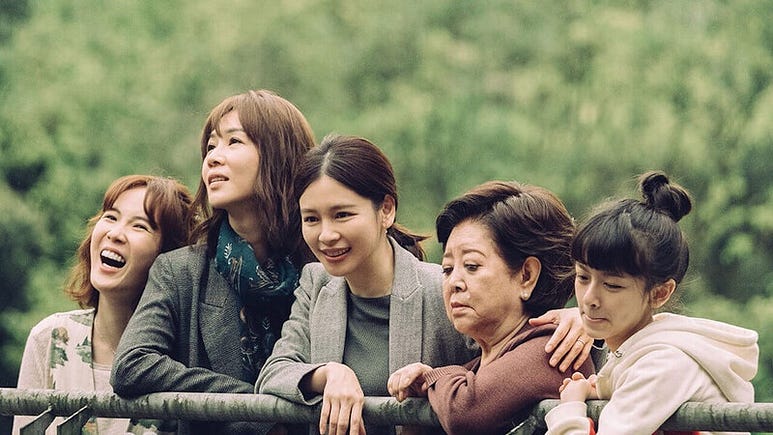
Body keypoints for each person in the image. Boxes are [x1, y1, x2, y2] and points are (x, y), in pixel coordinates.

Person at [256, 135, 591, 435]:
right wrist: (329, 374)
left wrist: (583, 321)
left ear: (386, 210)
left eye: (342, 214)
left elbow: (482, 387)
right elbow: (274, 372)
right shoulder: (315, 283)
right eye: (311, 219)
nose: (326, 234)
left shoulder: (443, 294)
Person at [111, 90, 316, 435]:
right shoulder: (181, 271)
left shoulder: (321, 266)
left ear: (279, 155)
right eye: (210, 147)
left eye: (233, 142)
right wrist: (254, 406)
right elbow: (131, 366)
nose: (213, 159)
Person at [544, 171, 759, 435]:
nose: (589, 298)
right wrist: (602, 387)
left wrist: (569, 409)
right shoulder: (642, 354)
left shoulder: (663, 365)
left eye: (612, 285)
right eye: (583, 277)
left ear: (660, 293)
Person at [387, 180, 596, 434]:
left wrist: (431, 377)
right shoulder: (480, 366)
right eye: (448, 269)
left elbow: (464, 412)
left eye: (472, 266)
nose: (454, 283)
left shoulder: (552, 348)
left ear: (527, 276)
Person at [13, 174, 194, 435]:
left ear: (170, 256)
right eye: (110, 217)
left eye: (140, 226)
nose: (115, 233)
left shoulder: (186, 359)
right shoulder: (50, 338)